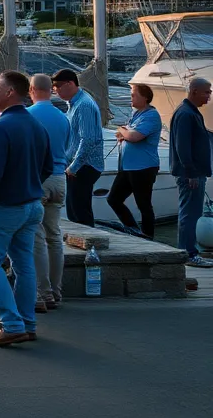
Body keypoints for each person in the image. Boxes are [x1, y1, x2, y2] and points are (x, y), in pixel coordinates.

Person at [0, 70, 52, 346]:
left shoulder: (0, 127)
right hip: (31, 205)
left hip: (3, 206)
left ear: (9, 92)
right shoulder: (35, 125)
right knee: (23, 265)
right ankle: (27, 323)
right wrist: (30, 185)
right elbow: (47, 166)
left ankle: (11, 323)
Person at [27, 73, 70, 311]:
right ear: (51, 90)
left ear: (32, 89)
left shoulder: (29, 115)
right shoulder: (62, 117)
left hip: (39, 179)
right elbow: (67, 146)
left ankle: (43, 293)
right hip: (59, 177)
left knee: (37, 236)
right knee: (55, 235)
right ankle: (56, 289)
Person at [168, 77, 213, 269]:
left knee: (190, 213)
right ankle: (188, 253)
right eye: (207, 92)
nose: (209, 96)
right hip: (190, 175)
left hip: (194, 172)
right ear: (194, 91)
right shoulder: (186, 114)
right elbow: (182, 147)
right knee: (190, 214)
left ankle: (188, 251)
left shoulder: (191, 112)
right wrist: (191, 173)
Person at [108, 83, 162, 239]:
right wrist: (124, 132)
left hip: (143, 167)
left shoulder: (151, 115)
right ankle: (133, 229)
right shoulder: (136, 114)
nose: (130, 98)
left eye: (133, 95)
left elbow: (133, 136)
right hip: (128, 166)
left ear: (144, 98)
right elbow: (125, 132)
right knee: (114, 199)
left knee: (143, 204)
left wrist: (122, 131)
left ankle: (148, 237)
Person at [52, 68, 103, 227]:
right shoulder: (74, 103)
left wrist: (74, 167)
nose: (56, 90)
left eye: (59, 86)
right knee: (74, 210)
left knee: (80, 212)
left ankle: (89, 246)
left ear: (70, 83)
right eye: (54, 87)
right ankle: (85, 245)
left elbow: (88, 139)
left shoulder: (84, 105)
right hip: (77, 165)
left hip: (84, 166)